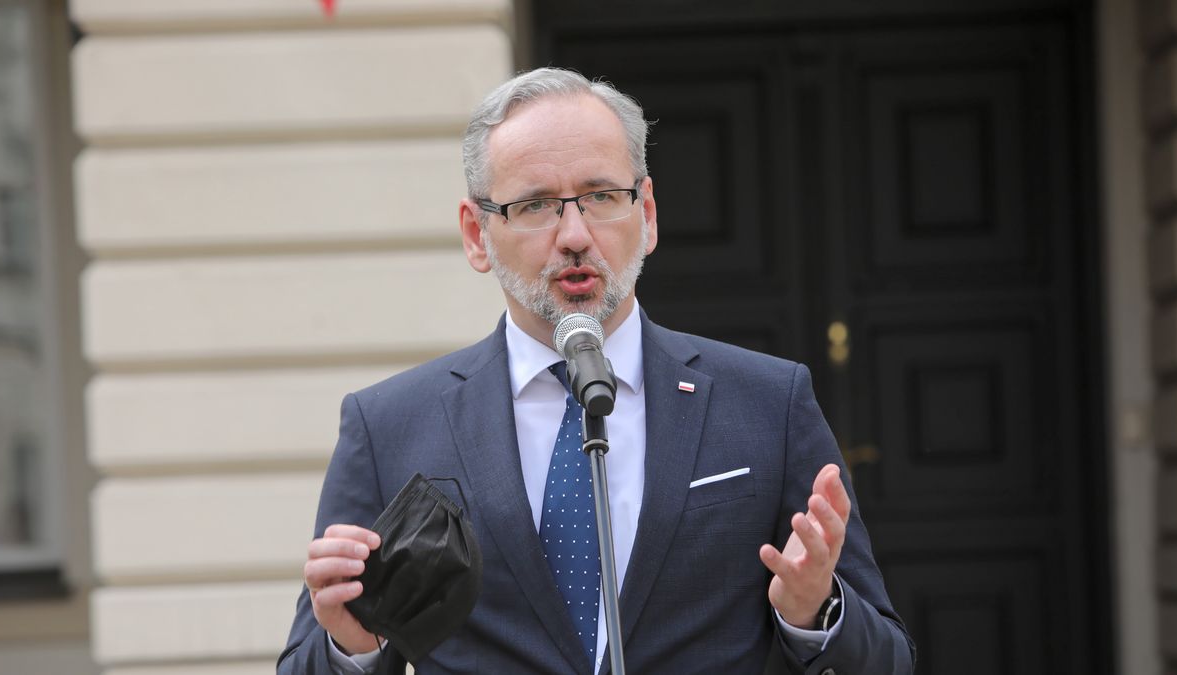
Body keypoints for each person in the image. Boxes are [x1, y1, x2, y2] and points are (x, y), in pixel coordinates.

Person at [278, 67, 915, 675]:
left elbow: (888, 660)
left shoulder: (768, 404)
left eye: (602, 196)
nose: (575, 234)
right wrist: (351, 647)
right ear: (476, 234)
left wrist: (815, 612)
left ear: (648, 214)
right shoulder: (389, 426)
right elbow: (311, 657)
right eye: (535, 205)